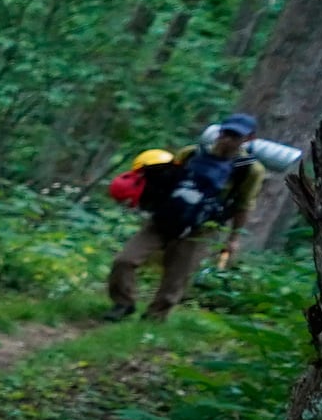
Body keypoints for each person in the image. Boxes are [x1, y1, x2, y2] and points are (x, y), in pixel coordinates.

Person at [111, 114, 300, 318]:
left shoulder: (250, 170)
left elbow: (243, 205)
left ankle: (155, 319)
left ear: (249, 138)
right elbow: (167, 181)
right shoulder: (191, 154)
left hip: (201, 226)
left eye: (235, 135)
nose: (228, 139)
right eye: (226, 133)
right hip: (163, 218)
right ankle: (123, 303)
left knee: (176, 278)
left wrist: (233, 238)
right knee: (125, 260)